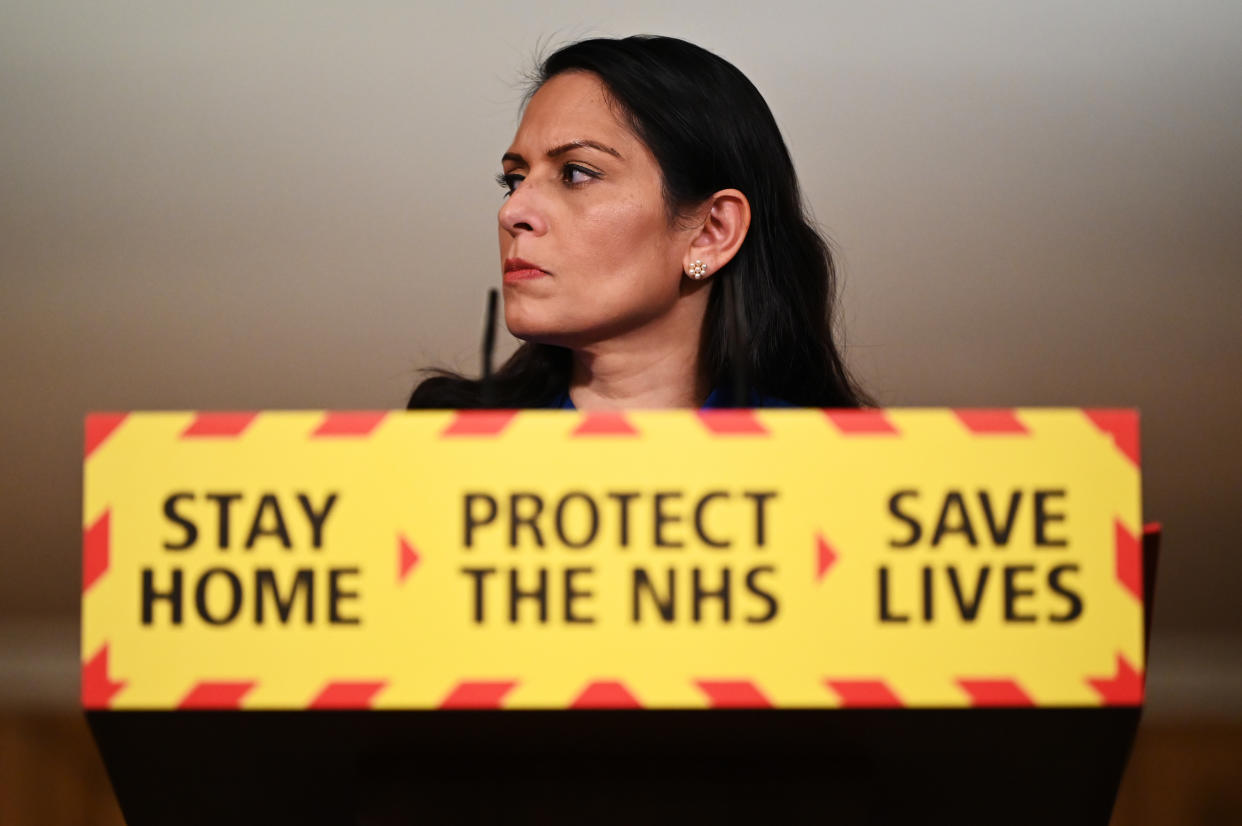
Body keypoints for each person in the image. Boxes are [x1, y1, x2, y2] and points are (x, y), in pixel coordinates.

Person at [408, 35, 870, 410]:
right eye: (514, 180)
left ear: (712, 232)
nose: (512, 213)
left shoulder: (837, 472)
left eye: (576, 173)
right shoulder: (444, 446)